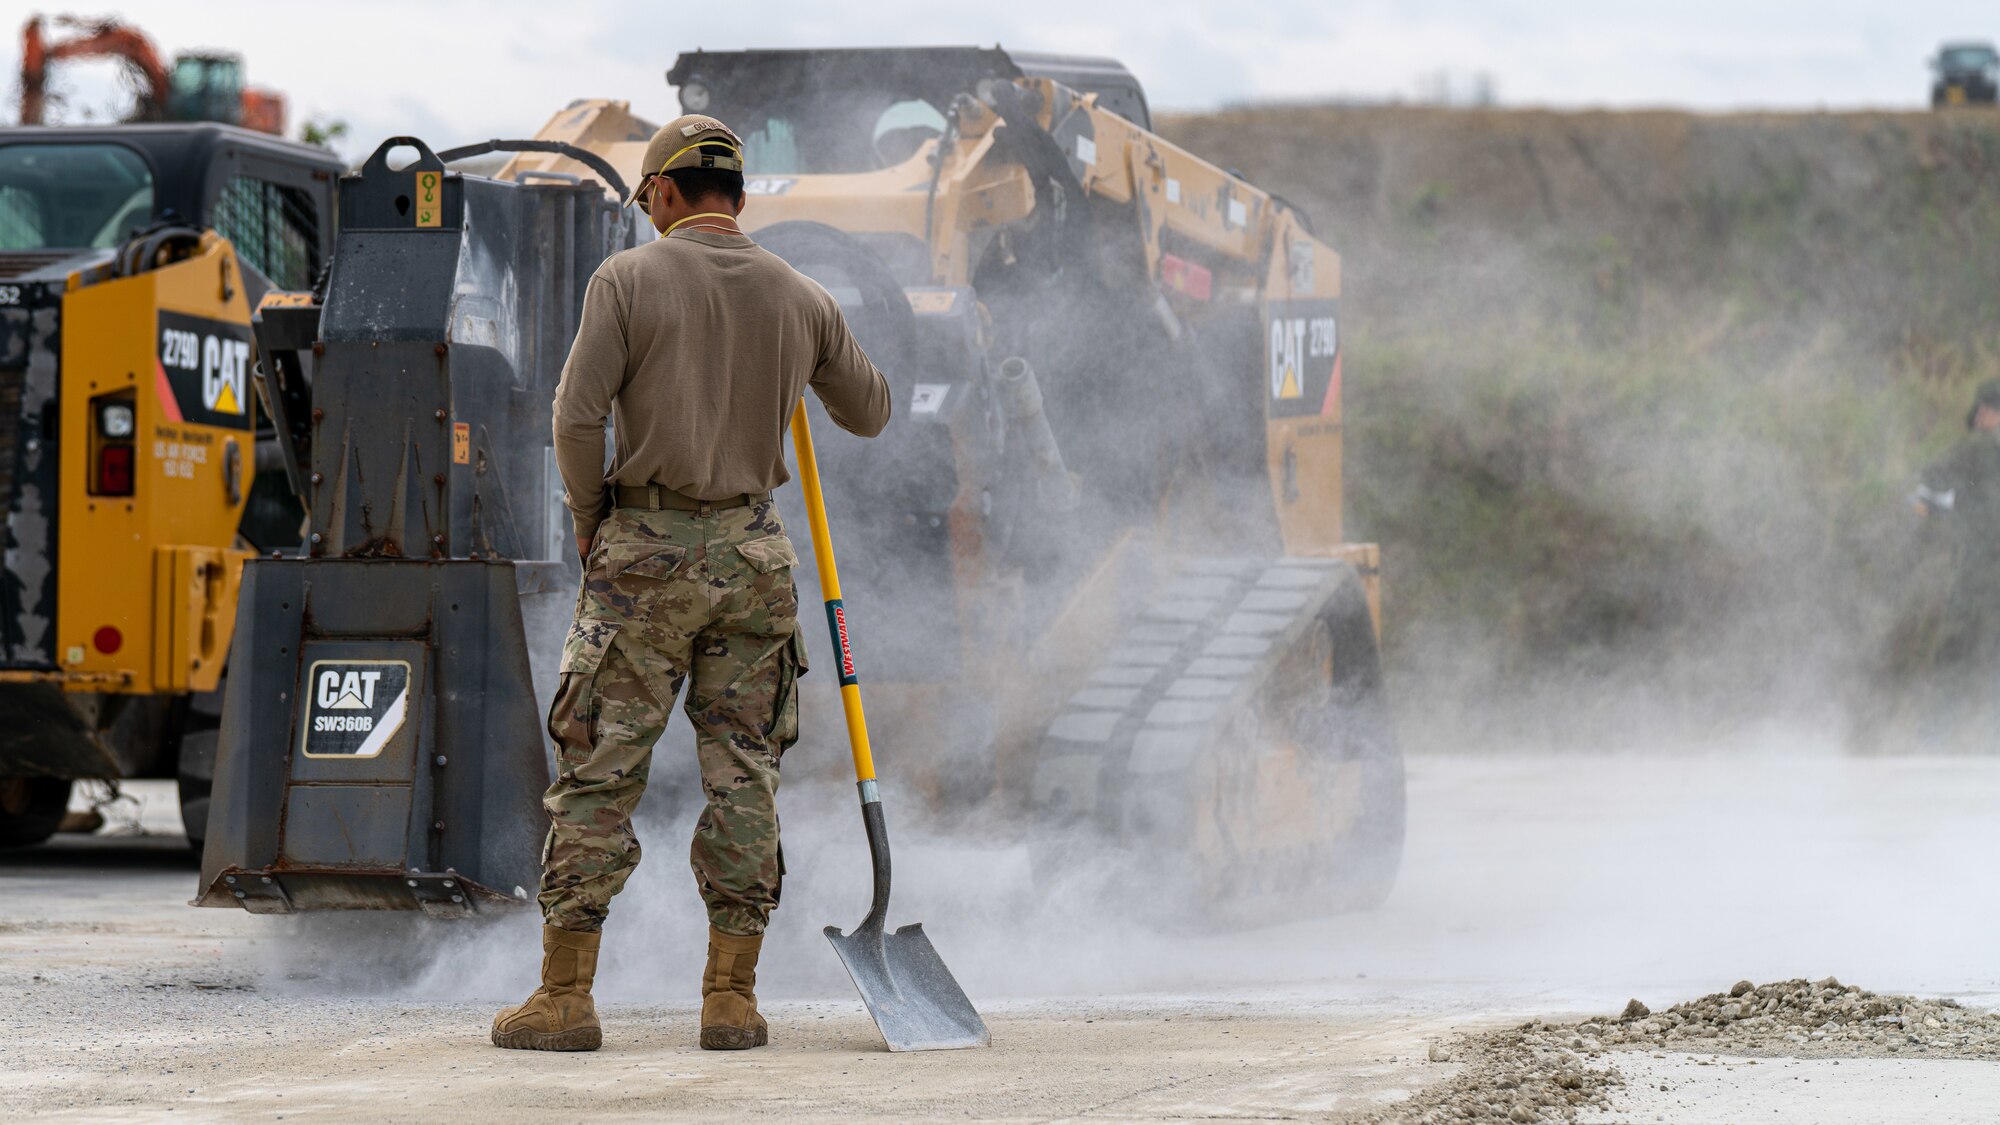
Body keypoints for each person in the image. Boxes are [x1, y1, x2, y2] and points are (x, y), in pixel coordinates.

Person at [492, 115, 891, 1053]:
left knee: (598, 771)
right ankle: (730, 999)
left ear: (665, 194)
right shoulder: (801, 294)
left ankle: (563, 997)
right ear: (741, 197)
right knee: (744, 773)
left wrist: (592, 520)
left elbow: (576, 416)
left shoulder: (627, 280)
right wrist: (795, 356)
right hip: (754, 559)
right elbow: (869, 411)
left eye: (647, 198)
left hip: (644, 553)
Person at [1912, 378, 2000, 736]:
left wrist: (1942, 501)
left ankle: (1933, 739)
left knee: (1956, 651)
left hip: (1982, 569)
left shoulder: (1979, 446)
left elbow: (1932, 475)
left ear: (1984, 412)